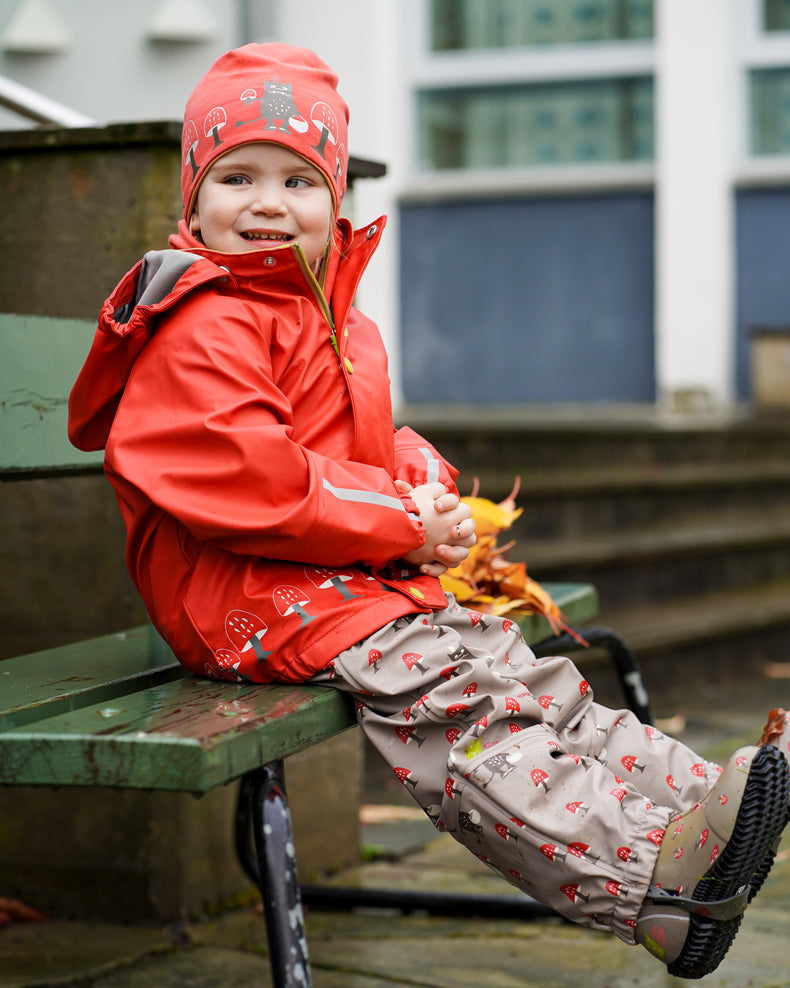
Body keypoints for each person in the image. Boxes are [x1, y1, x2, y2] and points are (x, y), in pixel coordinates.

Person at [68, 43, 790, 980]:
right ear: (193, 196)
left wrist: (417, 476)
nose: (267, 203)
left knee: (517, 673)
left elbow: (351, 441)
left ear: (335, 198)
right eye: (236, 176)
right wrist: (402, 523)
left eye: (298, 180)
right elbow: (246, 476)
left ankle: (711, 806)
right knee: (452, 704)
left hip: (329, 573)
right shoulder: (205, 316)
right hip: (241, 590)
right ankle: (653, 885)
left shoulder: (326, 307)